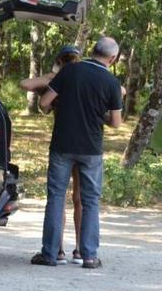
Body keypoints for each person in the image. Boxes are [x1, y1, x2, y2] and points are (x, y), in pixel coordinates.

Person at [31, 37, 123, 269]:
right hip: (91, 149)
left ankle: (50, 254)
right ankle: (89, 256)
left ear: (92, 51)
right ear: (112, 59)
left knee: (56, 197)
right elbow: (116, 123)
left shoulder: (70, 70)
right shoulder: (111, 81)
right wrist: (96, 114)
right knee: (90, 201)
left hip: (62, 144)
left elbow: (44, 102)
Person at [20, 46, 84, 265]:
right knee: (76, 199)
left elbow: (26, 85)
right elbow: (25, 85)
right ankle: (76, 250)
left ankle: (62, 250)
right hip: (86, 145)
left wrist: (50, 78)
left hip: (64, 143)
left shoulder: (59, 81)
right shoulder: (71, 79)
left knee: (62, 199)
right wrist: (51, 78)